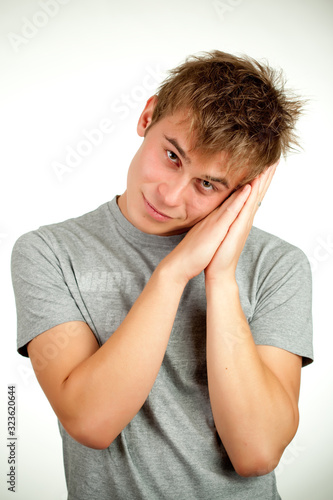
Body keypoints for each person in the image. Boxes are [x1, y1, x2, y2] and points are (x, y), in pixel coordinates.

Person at [11, 50, 313, 500]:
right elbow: (91, 422)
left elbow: (258, 452)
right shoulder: (49, 252)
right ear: (148, 115)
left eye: (207, 184)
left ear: (245, 191)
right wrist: (173, 274)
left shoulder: (278, 265)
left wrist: (221, 276)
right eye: (172, 156)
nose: (170, 196)